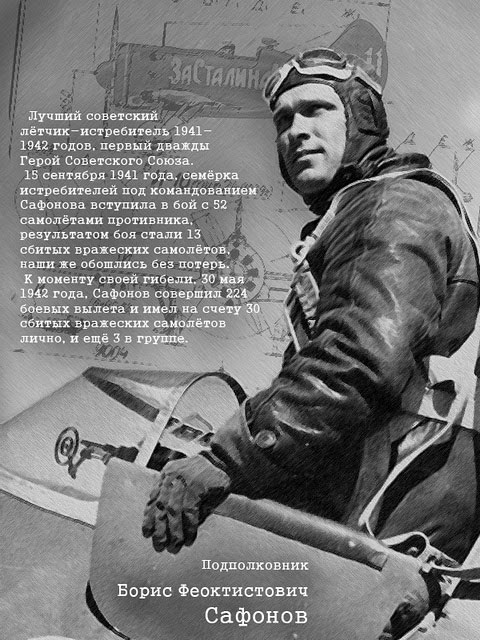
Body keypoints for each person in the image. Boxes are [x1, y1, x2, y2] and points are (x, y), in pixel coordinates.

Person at [142, 49, 480, 572]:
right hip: (380, 523)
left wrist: (229, 457)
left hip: (372, 525)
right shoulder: (368, 208)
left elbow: (362, 359)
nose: (296, 130)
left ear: (361, 120)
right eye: (283, 120)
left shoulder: (390, 205)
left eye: (316, 110)